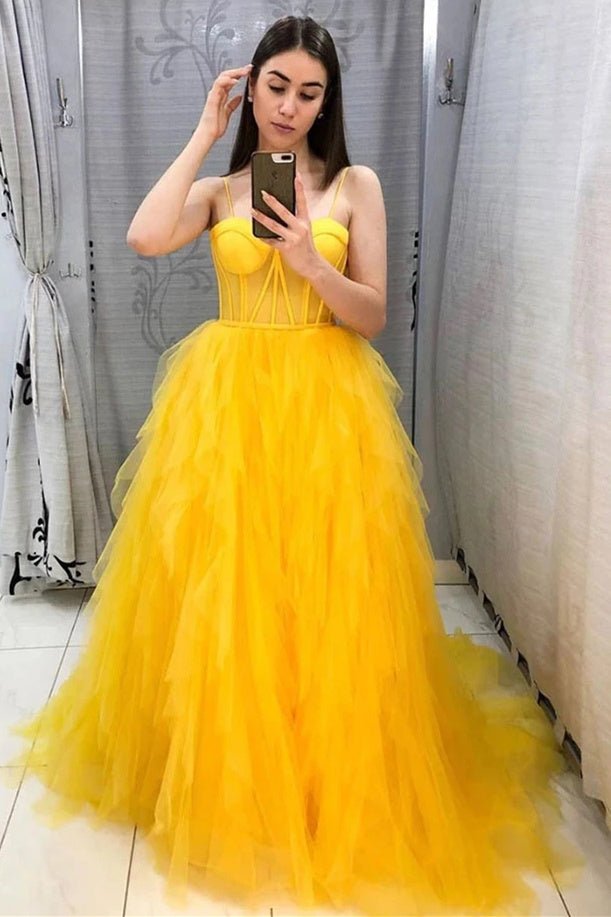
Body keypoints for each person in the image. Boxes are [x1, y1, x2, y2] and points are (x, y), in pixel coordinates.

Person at [7, 15, 583, 917]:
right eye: (275, 86)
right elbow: (144, 237)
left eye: (308, 93)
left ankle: (324, 770)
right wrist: (205, 130)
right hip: (226, 404)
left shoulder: (355, 185)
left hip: (327, 405)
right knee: (229, 590)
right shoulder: (222, 188)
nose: (288, 106)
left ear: (326, 102)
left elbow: (372, 315)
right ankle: (229, 768)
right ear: (252, 89)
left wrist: (312, 260)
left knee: (325, 595)